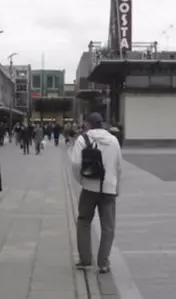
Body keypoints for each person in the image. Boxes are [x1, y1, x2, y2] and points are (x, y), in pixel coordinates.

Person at [70, 112, 123, 274]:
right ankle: (103, 263)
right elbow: (119, 166)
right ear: (102, 124)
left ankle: (85, 260)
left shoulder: (83, 139)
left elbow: (75, 163)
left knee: (84, 221)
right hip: (109, 189)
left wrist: (82, 181)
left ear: (88, 124)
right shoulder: (113, 140)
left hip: (89, 188)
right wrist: (116, 186)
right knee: (108, 226)